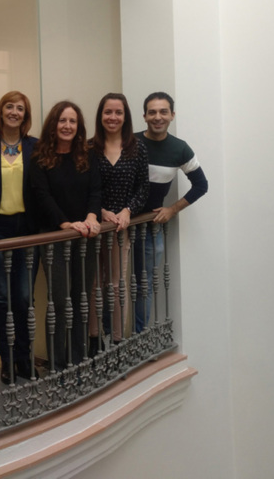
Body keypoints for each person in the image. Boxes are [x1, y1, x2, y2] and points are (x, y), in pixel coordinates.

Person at [30, 101, 101, 370]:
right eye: (62, 120)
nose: (67, 126)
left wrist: (92, 217)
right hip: (54, 238)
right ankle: (59, 364)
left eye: (72, 121)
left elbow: (96, 191)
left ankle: (79, 358)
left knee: (82, 298)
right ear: (53, 124)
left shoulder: (88, 155)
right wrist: (64, 224)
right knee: (60, 301)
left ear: (78, 126)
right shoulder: (40, 157)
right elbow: (42, 196)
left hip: (85, 239)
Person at [0, 91, 39, 384]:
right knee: (1, 298)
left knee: (25, 298)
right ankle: (7, 360)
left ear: (26, 116)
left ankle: (25, 358)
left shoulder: (35, 147)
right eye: (9, 107)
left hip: (27, 230)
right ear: (0, 111)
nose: (14, 112)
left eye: (20, 108)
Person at [135, 91, 208, 332]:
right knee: (112, 284)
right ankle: (108, 343)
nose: (158, 117)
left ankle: (138, 338)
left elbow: (201, 185)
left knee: (143, 285)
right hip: (119, 225)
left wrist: (172, 209)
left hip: (150, 227)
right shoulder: (130, 143)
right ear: (144, 115)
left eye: (163, 112)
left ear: (172, 115)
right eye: (152, 112)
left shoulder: (180, 149)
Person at [89, 93, 149, 350]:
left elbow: (143, 187)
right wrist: (100, 211)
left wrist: (128, 211)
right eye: (108, 112)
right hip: (93, 227)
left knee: (115, 284)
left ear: (126, 117)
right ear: (100, 116)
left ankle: (115, 339)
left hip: (121, 229)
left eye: (118, 112)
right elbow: (83, 188)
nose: (113, 117)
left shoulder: (137, 147)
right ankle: (94, 340)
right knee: (92, 285)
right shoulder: (89, 147)